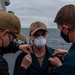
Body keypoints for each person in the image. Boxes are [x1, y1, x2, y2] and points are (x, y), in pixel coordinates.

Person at [49, 4, 75, 75]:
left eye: (59, 29)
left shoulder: (70, 62)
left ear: (66, 29)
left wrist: (60, 66)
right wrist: (68, 53)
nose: (60, 32)